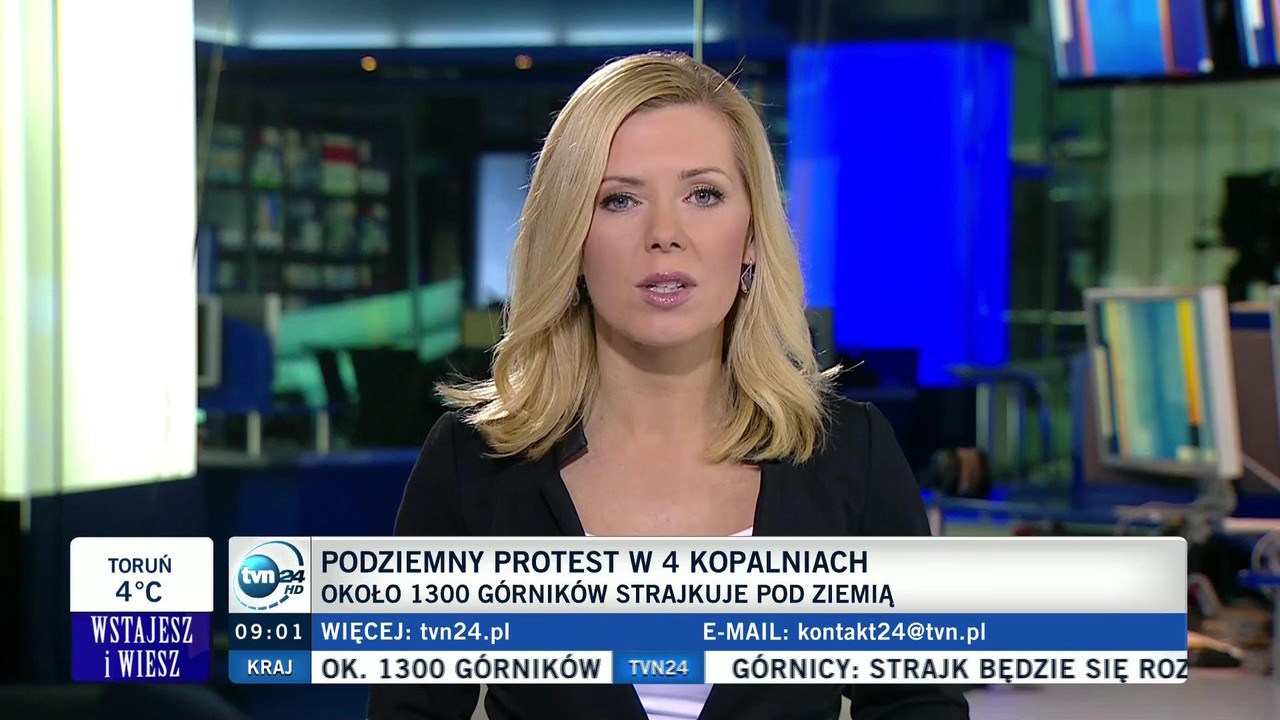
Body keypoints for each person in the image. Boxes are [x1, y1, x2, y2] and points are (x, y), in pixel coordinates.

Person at [368, 51, 969, 720]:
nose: (664, 235)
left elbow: (920, 707)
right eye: (619, 200)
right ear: (572, 240)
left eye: (703, 195)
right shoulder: (473, 464)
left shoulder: (848, 456)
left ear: (750, 236)